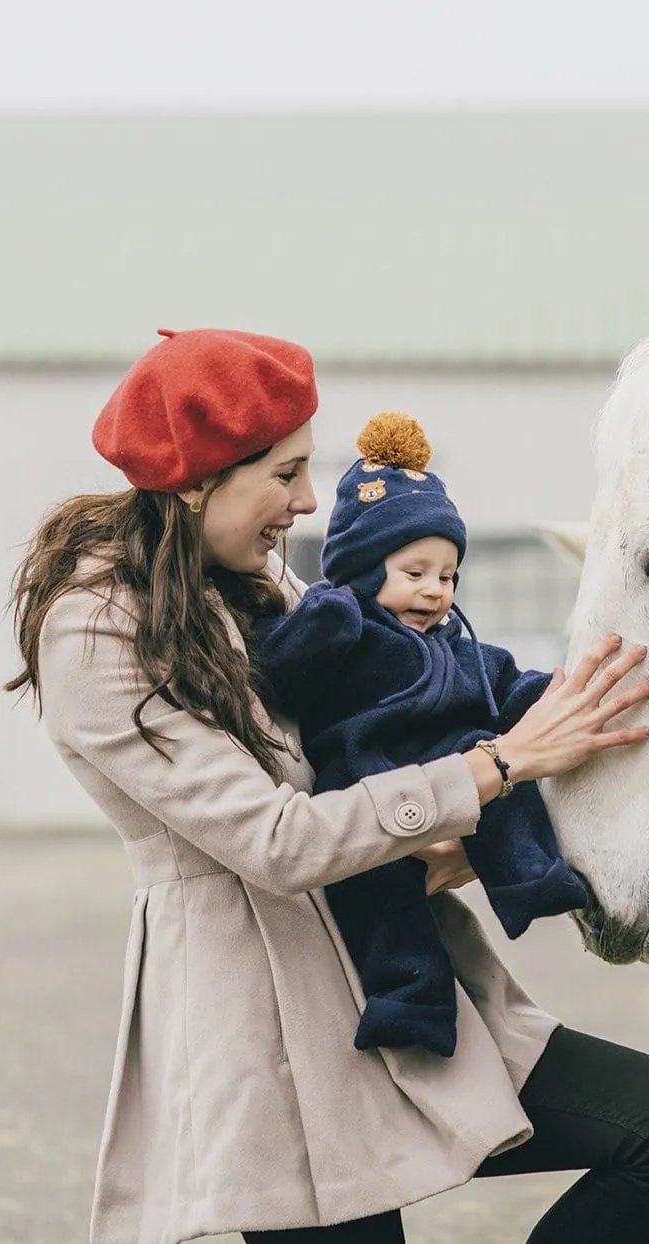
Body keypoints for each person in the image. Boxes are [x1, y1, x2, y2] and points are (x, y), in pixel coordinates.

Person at [6, 327, 649, 1244]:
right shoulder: (97, 631)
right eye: (284, 474)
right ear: (196, 478)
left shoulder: (259, 582)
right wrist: (501, 764)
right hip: (271, 1025)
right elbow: (277, 843)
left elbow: (381, 735)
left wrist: (496, 800)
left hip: (400, 972)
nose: (308, 502)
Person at [250, 410, 590, 1060]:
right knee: (384, 912)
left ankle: (535, 883)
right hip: (370, 786)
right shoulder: (346, 626)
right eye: (414, 573)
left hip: (463, 773)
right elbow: (279, 674)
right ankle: (409, 1007)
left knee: (513, 794)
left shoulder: (457, 647)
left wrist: (570, 697)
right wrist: (329, 608)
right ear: (361, 568)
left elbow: (512, 686)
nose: (434, 591)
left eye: (447, 576)